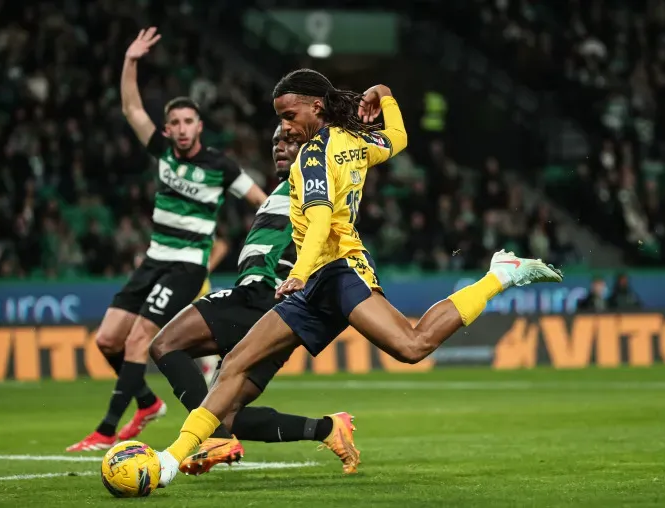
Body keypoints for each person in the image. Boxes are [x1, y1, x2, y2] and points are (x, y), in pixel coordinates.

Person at [148, 68, 563, 487]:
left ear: (317, 106)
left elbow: (321, 219)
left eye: (290, 116)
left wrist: (300, 272)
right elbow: (398, 138)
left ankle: (500, 275)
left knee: (412, 345)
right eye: (281, 118)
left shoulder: (312, 154)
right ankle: (170, 460)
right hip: (317, 282)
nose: (285, 127)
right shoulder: (356, 141)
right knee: (236, 362)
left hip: (338, 270)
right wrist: (385, 93)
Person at [67, 27, 267, 452]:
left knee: (139, 339)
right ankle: (147, 403)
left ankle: (105, 430)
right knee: (107, 340)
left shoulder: (221, 166)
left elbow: (260, 201)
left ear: (199, 126)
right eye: (173, 122)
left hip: (187, 265)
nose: (179, 128)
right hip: (153, 261)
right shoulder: (161, 152)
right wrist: (130, 60)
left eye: (187, 121)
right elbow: (131, 108)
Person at [149, 125, 357, 475]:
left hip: (263, 294)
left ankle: (214, 438)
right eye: (276, 140)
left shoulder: (311, 184)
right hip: (282, 310)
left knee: (165, 345)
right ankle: (327, 428)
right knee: (226, 414)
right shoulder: (285, 187)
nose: (279, 145)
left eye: (290, 140)